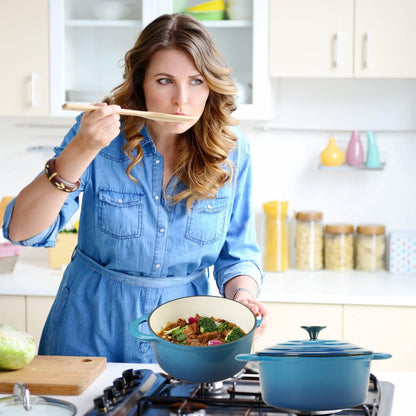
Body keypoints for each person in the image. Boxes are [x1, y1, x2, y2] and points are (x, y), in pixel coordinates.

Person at [2, 13, 270, 363]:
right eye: (164, 81)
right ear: (141, 82)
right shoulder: (97, 138)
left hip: (180, 340)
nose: (181, 100)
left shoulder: (232, 151)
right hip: (87, 331)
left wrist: (242, 298)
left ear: (211, 86)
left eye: (196, 81)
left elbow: (237, 255)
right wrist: (82, 148)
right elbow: (21, 231)